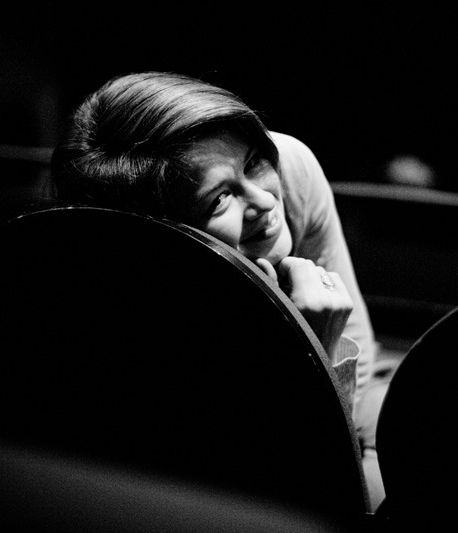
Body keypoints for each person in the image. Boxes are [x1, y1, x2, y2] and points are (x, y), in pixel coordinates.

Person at [48, 71, 386, 510]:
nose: (264, 201)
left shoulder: (291, 167)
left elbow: (357, 350)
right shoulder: (130, 280)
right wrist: (309, 346)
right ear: (167, 237)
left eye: (252, 163)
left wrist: (328, 356)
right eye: (219, 199)